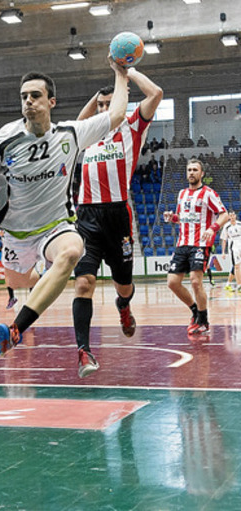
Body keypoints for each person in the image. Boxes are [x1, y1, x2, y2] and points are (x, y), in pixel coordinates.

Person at [0, 61, 129, 360]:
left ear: (51, 102)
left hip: (56, 226)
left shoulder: (71, 134)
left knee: (72, 251)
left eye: (35, 95)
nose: (28, 101)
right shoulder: (2, 142)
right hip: (15, 234)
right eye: (24, 96)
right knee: (19, 283)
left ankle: (16, 329)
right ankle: (39, 274)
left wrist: (121, 74)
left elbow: (116, 114)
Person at [71, 68, 163, 377]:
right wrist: (97, 97)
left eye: (108, 104)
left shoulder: (133, 125)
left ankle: (123, 306)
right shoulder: (90, 132)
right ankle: (84, 351)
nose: (103, 109)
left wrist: (126, 72)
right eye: (100, 105)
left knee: (124, 286)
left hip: (118, 217)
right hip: (87, 216)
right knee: (83, 283)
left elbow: (156, 94)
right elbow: (79, 121)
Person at [163, 159, 228, 335]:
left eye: (195, 170)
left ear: (202, 174)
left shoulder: (208, 193)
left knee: (195, 281)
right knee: (172, 282)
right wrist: (172, 218)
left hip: (200, 244)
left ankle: (204, 321)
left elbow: (224, 214)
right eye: (189, 170)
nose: (191, 173)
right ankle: (195, 310)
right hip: (182, 244)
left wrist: (212, 228)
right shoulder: (182, 194)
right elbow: (182, 218)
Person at [221, 211, 241, 291]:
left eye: (233, 215)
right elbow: (224, 240)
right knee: (237, 266)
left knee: (236, 266)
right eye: (230, 215)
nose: (232, 217)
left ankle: (228, 284)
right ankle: (239, 285)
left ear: (235, 216)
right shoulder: (226, 226)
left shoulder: (239, 224)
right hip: (234, 248)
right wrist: (223, 252)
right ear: (229, 217)